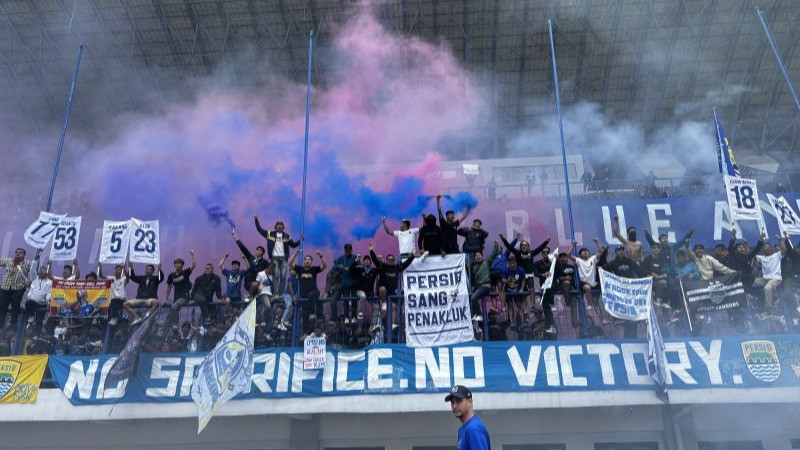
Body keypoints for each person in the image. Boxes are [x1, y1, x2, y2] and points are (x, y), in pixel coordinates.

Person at [370, 243, 416, 331]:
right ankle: (383, 303)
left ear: (394, 260)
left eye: (392, 259)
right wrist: (371, 251)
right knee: (382, 289)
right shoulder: (383, 266)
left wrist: (412, 257)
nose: (391, 261)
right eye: (389, 259)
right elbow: (375, 261)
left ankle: (393, 324)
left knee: (394, 307)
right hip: (383, 292)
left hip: (392, 292)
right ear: (386, 260)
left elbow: (405, 264)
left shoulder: (397, 268)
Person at [254, 216, 301, 297]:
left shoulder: (287, 236)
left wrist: (300, 240)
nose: (279, 226)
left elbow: (293, 245)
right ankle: (276, 293)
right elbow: (260, 230)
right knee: (276, 275)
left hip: (284, 258)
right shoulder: (270, 234)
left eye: (281, 224)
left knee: (283, 276)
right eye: (278, 224)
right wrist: (256, 220)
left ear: (283, 227)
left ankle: (281, 293)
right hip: (274, 257)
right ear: (275, 227)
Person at [289, 249, 327, 334]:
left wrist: (321, 256)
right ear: (304, 261)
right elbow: (290, 264)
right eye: (306, 259)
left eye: (309, 260)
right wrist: (295, 255)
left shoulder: (314, 269)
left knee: (311, 296)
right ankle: (307, 333)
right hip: (304, 296)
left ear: (311, 262)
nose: (307, 261)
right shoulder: (300, 269)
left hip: (314, 292)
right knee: (305, 315)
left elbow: (324, 266)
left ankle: (313, 314)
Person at [445, 385, 491, 450]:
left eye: (458, 401)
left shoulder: (473, 428)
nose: (454, 406)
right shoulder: (462, 429)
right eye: (452, 402)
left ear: (470, 402)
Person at [0, 248, 36, 328]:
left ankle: (12, 327)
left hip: (18, 288)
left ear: (24, 255)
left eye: (20, 252)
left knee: (15, 307)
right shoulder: (9, 261)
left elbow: (35, 271)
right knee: (2, 307)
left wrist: (30, 280)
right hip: (5, 287)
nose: (17, 254)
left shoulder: (28, 263)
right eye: (16, 252)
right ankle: (1, 326)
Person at [165, 250, 196, 326]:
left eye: (179, 263)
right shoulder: (171, 275)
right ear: (174, 265)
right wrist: (166, 298)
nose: (177, 265)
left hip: (185, 297)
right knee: (170, 314)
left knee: (174, 307)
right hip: (176, 298)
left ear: (182, 265)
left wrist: (193, 255)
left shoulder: (185, 272)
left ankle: (176, 325)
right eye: (176, 263)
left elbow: (193, 265)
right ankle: (165, 329)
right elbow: (169, 288)